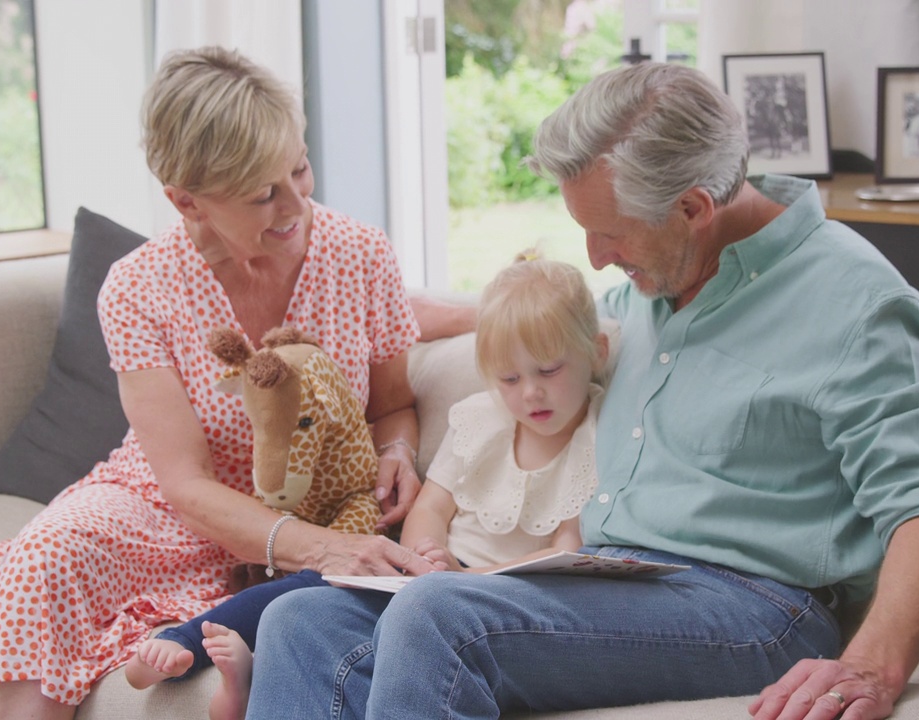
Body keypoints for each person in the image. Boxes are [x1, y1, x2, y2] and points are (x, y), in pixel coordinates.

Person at [245, 61, 919, 720]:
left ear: (696, 207)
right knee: (304, 621)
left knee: (439, 617)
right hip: (612, 577)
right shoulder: (657, 282)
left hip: (759, 608)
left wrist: (872, 665)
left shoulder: (855, 305)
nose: (597, 260)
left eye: (611, 234)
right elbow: (552, 331)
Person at [0, 45, 439, 720]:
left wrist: (396, 453)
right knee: (47, 556)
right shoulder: (139, 288)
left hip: (314, 504)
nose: (297, 202)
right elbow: (183, 482)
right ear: (186, 201)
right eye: (263, 192)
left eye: (300, 167)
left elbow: (394, 404)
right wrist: (317, 547)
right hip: (167, 512)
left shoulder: (360, 254)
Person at [127, 252, 610, 720]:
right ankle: (188, 641)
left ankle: (252, 678)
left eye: (549, 370)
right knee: (306, 590)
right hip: (426, 573)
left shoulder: (598, 438)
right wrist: (425, 554)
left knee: (375, 628)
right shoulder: (481, 419)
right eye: (509, 378)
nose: (530, 392)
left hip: (493, 595)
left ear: (598, 352)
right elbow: (432, 507)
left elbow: (565, 549)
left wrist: (464, 577)